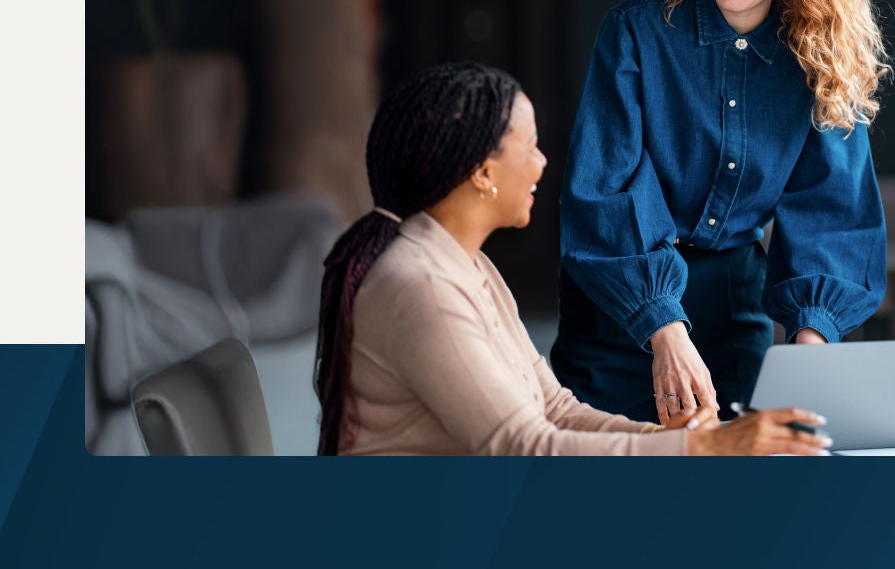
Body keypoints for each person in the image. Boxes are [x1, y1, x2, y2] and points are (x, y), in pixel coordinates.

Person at [312, 62, 831, 456]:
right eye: (530, 146)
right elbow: (524, 445)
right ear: (482, 173)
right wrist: (703, 449)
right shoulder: (419, 285)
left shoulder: (466, 266)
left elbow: (555, 409)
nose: (542, 164)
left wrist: (683, 438)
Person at [551, 0, 891, 425]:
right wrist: (661, 325)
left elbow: (834, 210)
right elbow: (607, 189)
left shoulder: (821, 59)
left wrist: (808, 345)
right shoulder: (634, 34)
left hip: (736, 308)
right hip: (619, 306)